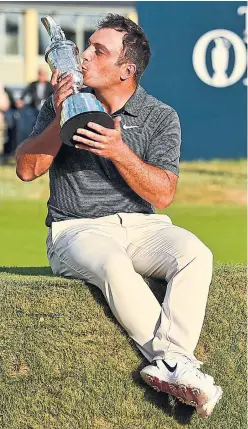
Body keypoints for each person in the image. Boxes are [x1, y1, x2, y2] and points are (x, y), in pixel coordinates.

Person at [16, 14, 222, 418]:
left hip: (144, 226)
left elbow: (163, 194)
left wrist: (118, 151)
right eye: (88, 46)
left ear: (126, 70)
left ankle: (171, 365)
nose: (84, 56)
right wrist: (62, 116)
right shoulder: (58, 101)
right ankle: (180, 364)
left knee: (197, 252)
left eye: (98, 50)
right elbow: (27, 169)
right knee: (112, 262)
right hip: (76, 229)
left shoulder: (161, 116)